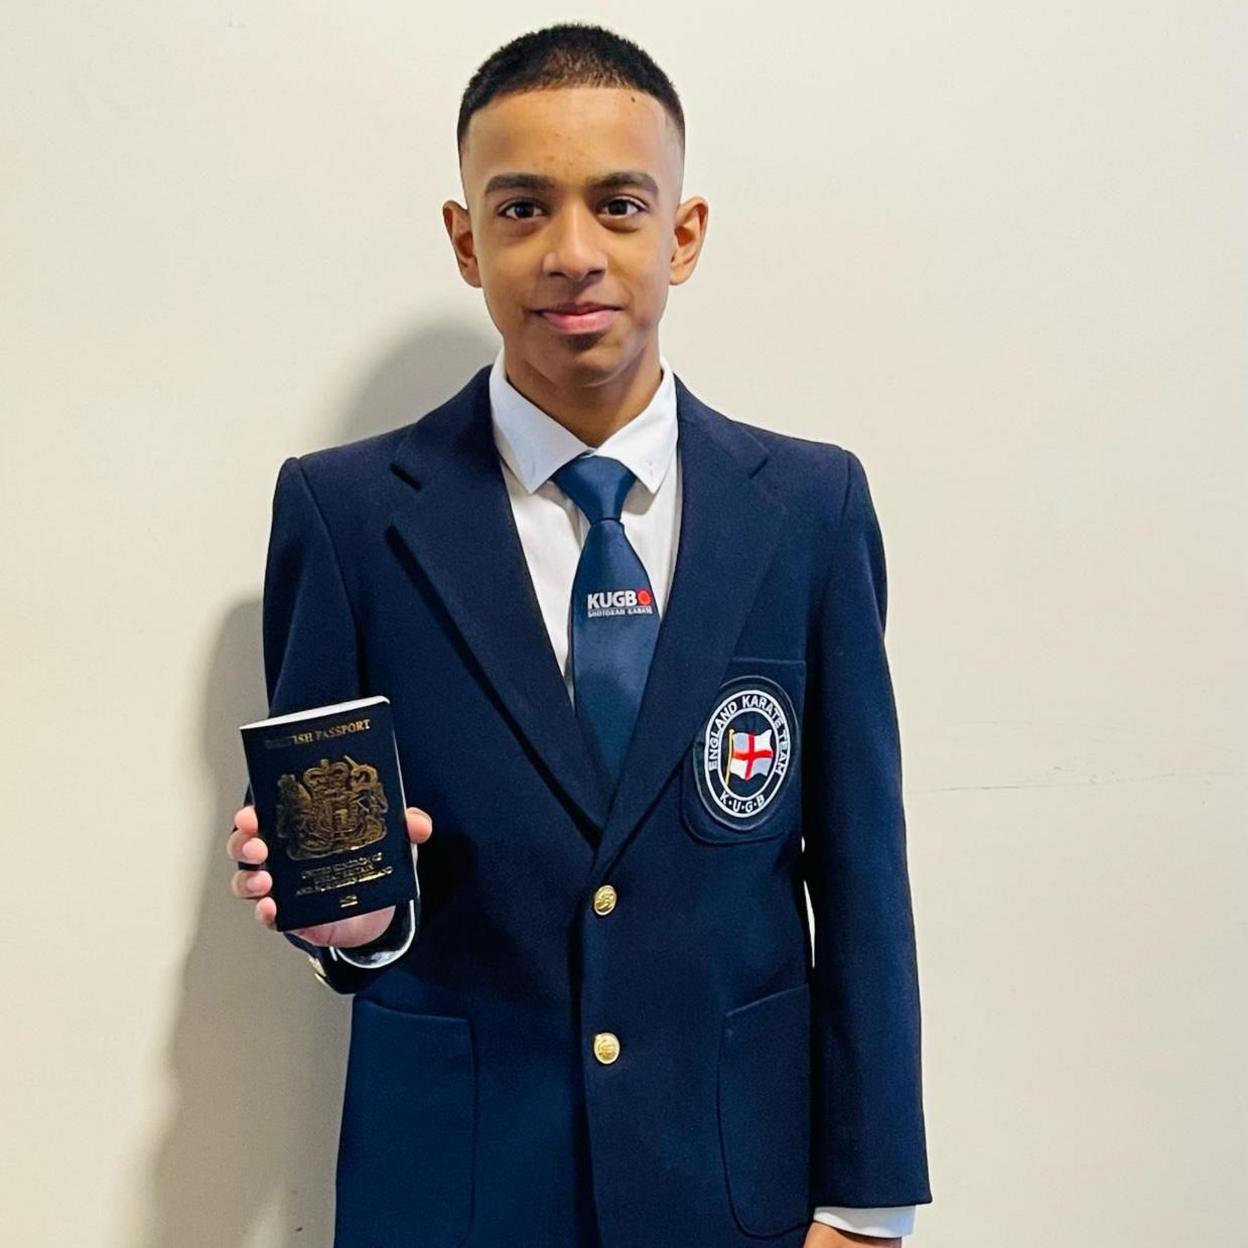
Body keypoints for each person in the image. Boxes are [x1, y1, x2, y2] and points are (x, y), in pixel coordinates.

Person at [227, 21, 931, 1248]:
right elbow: (338, 863)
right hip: (450, 1186)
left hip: (733, 1185)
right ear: (464, 240)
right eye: (520, 210)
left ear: (684, 232)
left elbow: (861, 876)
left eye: (618, 205)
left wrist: (867, 1206)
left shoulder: (810, 509)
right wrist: (347, 926)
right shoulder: (342, 515)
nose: (571, 255)